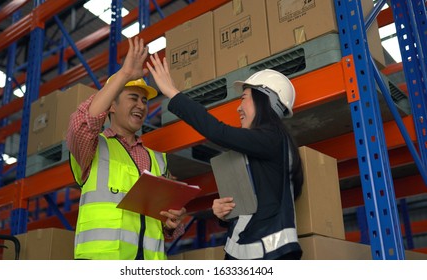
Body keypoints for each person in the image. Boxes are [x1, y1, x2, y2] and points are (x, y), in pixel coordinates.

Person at [147, 53, 304, 260]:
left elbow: (217, 132)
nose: (238, 107)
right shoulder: (267, 147)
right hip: (249, 254)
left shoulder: (272, 139)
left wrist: (172, 92)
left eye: (244, 98)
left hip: (270, 256)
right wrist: (224, 214)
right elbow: (263, 206)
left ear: (265, 100)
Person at [66, 37, 186, 260]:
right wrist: (124, 76)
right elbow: (81, 123)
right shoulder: (92, 148)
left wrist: (172, 222)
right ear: (112, 104)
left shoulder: (158, 159)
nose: (141, 105)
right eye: (133, 98)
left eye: (144, 100)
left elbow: (168, 224)